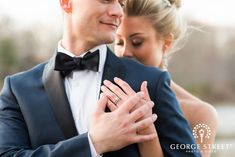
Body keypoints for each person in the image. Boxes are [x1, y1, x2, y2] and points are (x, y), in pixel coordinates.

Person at [0, 0, 201, 157]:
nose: (118, 12)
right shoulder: (18, 89)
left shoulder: (151, 81)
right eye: (106, 0)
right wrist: (93, 143)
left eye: (120, 3)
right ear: (66, 2)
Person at [102, 0, 218, 156]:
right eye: (119, 42)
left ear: (166, 42)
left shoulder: (200, 113)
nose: (124, 52)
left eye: (137, 42)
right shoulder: (105, 95)